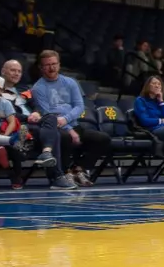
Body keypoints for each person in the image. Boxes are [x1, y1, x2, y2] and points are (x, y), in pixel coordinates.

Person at [30, 49, 109, 187]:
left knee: (103, 139)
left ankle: (79, 169)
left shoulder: (71, 82)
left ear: (59, 64)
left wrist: (67, 121)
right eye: (47, 65)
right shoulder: (38, 88)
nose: (52, 67)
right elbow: (48, 114)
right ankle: (65, 172)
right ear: (41, 67)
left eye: (54, 64)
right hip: (55, 127)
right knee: (65, 137)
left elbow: (79, 106)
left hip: (72, 123)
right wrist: (68, 128)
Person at [0, 59, 68, 187]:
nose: (16, 74)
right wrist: (28, 118)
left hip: (35, 122)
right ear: (3, 71)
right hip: (20, 127)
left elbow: (36, 106)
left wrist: (36, 113)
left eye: (19, 71)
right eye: (12, 70)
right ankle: (57, 175)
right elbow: (7, 114)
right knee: (57, 135)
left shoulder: (23, 90)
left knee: (52, 119)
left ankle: (49, 157)